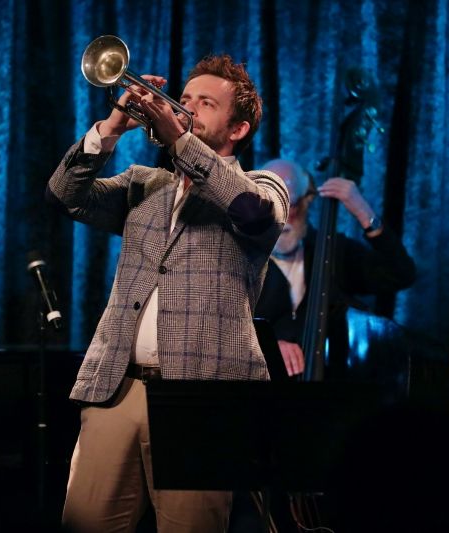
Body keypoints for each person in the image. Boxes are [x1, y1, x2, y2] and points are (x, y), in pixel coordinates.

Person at [46, 55, 288, 533]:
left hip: (201, 396)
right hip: (117, 386)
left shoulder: (263, 187)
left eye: (206, 103)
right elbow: (64, 195)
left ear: (237, 129)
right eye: (186, 97)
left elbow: (252, 214)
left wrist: (180, 140)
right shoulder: (145, 184)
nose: (187, 106)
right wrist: (113, 125)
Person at [254, 158, 416, 379]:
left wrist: (362, 210)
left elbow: (401, 274)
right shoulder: (237, 256)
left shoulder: (332, 251)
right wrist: (265, 346)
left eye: (289, 206)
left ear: (306, 201)